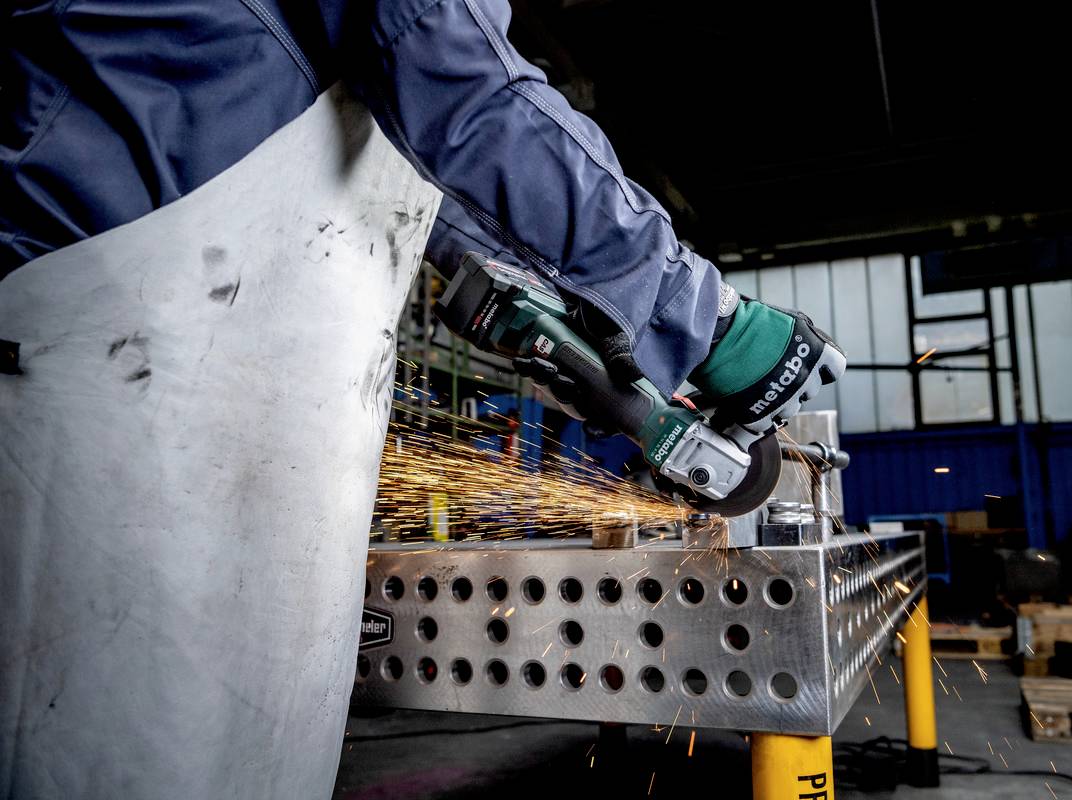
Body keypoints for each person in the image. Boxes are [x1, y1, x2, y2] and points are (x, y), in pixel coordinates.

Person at [1, 1, 843, 797]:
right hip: (122, 342)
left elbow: (423, 160)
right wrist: (706, 319)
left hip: (187, 341)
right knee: (116, 732)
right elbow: (462, 81)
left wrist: (588, 342)